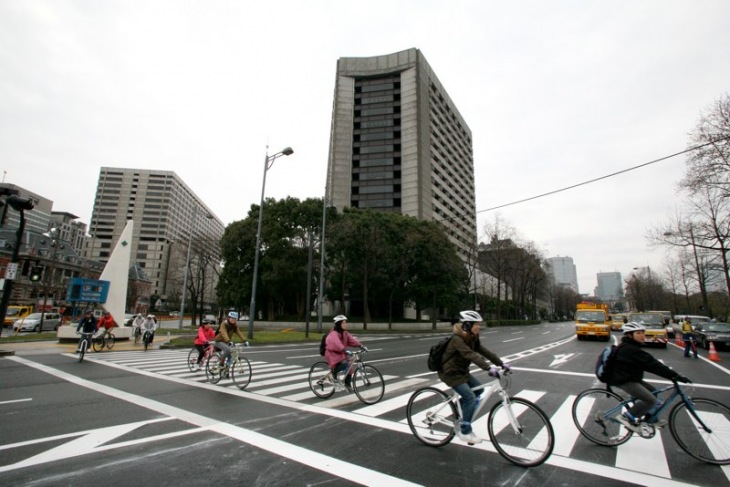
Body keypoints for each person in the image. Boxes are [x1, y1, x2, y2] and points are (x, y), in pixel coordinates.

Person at [438, 310, 510, 445]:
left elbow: (483, 351)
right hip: (450, 373)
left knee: (478, 391)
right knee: (470, 397)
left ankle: (456, 410)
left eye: (478, 324)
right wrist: (488, 368)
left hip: (462, 371)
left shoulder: (472, 337)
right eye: (475, 324)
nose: (478, 327)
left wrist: (500, 363)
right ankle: (465, 431)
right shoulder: (457, 339)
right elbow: (470, 355)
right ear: (465, 325)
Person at [609, 322, 691, 431]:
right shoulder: (631, 350)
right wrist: (674, 375)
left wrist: (672, 375)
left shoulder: (631, 347)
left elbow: (650, 365)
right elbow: (653, 365)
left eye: (643, 333)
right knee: (650, 400)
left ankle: (649, 419)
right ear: (629, 335)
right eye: (638, 333)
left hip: (630, 377)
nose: (642, 335)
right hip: (623, 380)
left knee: (653, 392)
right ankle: (626, 417)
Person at [324, 314, 365, 391]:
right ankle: (333, 375)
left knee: (349, 367)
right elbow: (337, 343)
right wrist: (345, 350)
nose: (345, 324)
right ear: (339, 324)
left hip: (340, 353)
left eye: (345, 322)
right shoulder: (333, 333)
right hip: (332, 354)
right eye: (343, 323)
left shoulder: (344, 333)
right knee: (345, 365)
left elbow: (352, 340)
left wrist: (361, 346)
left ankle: (347, 384)